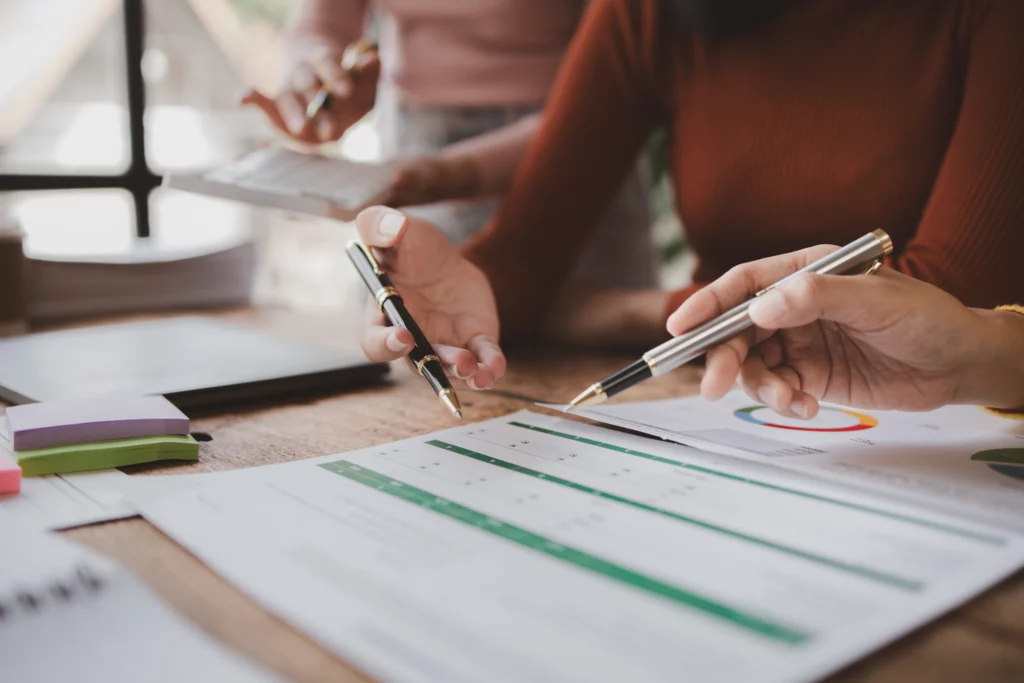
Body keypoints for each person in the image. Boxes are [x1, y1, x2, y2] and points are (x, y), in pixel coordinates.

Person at [353, 207, 1024, 417]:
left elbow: (951, 284)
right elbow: (535, 245)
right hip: (811, 360)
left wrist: (613, 309)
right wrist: (470, 288)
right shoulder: (650, 15)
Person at [241, 0, 658, 292]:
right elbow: (321, 24)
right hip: (412, 149)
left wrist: (443, 173)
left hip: (575, 161)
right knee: (419, 353)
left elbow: (615, 91)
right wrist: (314, 70)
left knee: (588, 368)